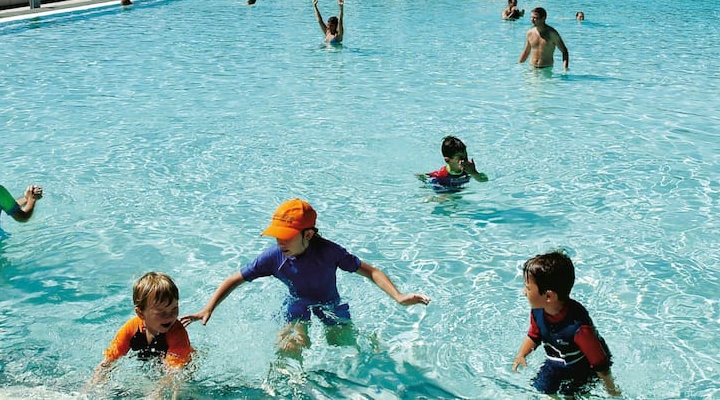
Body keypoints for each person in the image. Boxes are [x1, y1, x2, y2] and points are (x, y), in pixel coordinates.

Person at [180, 199, 430, 357]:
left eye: (286, 236)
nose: (279, 241)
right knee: (290, 346)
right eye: (277, 236)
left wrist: (398, 296)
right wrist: (208, 308)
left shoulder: (330, 252)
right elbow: (236, 279)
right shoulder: (273, 256)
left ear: (308, 234)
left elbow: (371, 271)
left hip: (330, 305)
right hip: (297, 305)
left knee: (342, 347)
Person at [511, 251, 620, 396]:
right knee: (541, 389)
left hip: (583, 367)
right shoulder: (538, 311)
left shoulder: (578, 327)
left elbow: (600, 362)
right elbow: (534, 335)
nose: (524, 292)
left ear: (549, 296)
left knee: (569, 394)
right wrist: (522, 354)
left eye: (528, 288)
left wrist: (611, 389)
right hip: (556, 362)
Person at [92, 272, 192, 394]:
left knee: (180, 389)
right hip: (151, 363)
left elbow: (174, 374)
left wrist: (156, 394)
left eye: (174, 308)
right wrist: (91, 387)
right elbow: (108, 361)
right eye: (161, 311)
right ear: (140, 313)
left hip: (179, 367)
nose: (170, 316)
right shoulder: (131, 329)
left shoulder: (177, 333)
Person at [416, 136, 488, 191]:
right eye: (460, 158)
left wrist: (474, 173)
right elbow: (428, 176)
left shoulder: (468, 168)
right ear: (447, 160)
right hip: (444, 189)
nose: (464, 160)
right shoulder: (442, 174)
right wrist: (422, 176)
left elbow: (484, 180)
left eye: (466, 156)